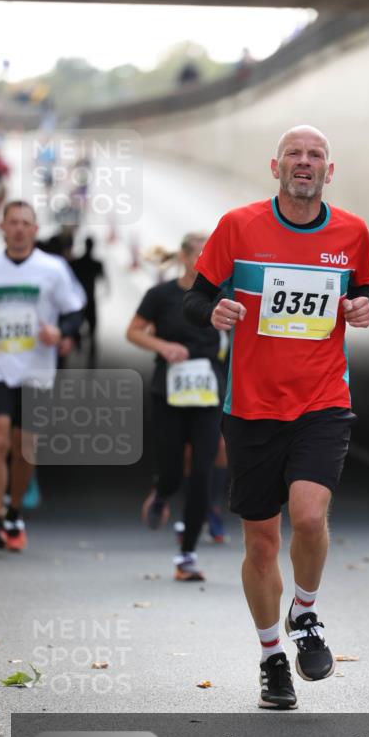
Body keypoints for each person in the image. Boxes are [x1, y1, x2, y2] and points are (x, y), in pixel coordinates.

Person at [184, 124, 369, 709]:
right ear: (276, 166)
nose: (304, 162)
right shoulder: (239, 228)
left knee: (310, 516)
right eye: (294, 153)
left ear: (328, 171)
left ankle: (307, 614)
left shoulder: (351, 232)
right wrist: (212, 311)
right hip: (251, 408)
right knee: (262, 544)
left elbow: (363, 291)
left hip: (323, 400)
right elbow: (195, 296)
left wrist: (362, 308)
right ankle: (271, 659)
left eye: (315, 154)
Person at [126, 233, 224, 582]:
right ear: (183, 258)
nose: (205, 261)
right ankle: (162, 492)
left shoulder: (221, 296)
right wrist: (164, 346)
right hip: (168, 391)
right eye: (199, 254)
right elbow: (133, 332)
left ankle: (187, 555)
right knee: (171, 470)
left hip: (208, 394)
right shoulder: (161, 295)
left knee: (201, 472)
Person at [0, 201, 85, 551]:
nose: (18, 228)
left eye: (25, 223)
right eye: (12, 222)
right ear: (2, 227)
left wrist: (60, 334)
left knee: (24, 447)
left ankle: (14, 510)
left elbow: (75, 310)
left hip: (36, 368)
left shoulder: (53, 269)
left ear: (34, 229)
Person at [71, 236, 106, 361]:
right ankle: (91, 355)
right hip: (90, 300)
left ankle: (80, 347)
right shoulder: (96, 264)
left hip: (79, 301)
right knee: (92, 330)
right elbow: (104, 282)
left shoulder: (76, 262)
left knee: (77, 326)